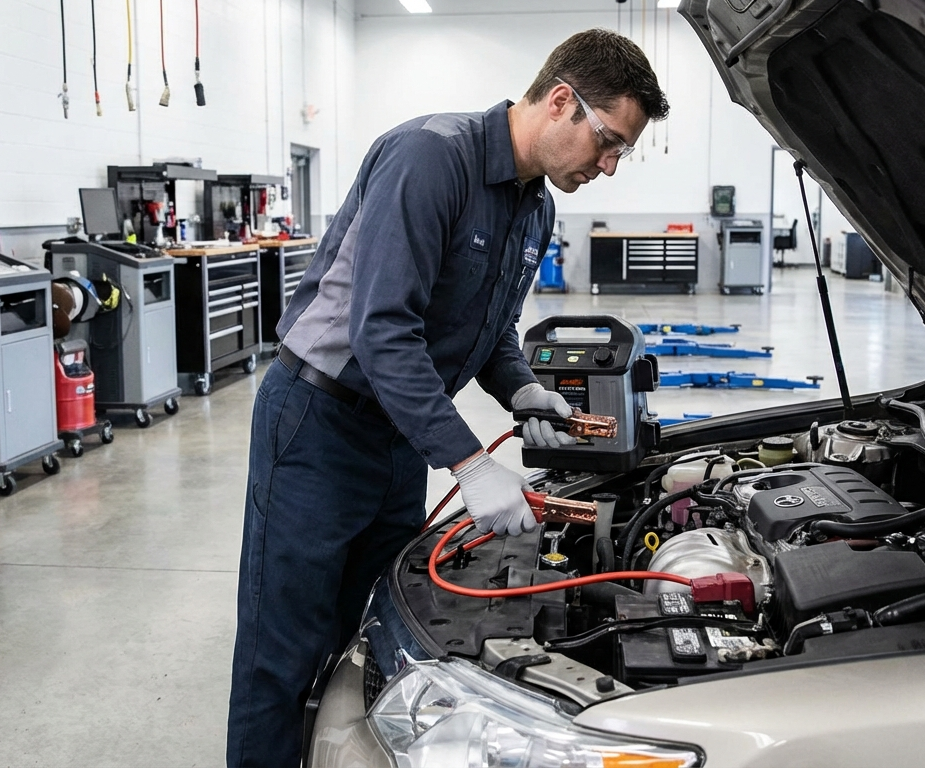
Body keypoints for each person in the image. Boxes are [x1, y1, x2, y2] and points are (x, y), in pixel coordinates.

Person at [226, 27, 668, 767]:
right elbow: (383, 332)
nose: (611, 165)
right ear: (562, 101)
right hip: (318, 424)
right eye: (609, 141)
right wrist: (469, 463)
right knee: (282, 647)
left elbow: (489, 328)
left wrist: (524, 389)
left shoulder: (535, 207)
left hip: (400, 434)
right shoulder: (431, 157)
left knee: (365, 632)